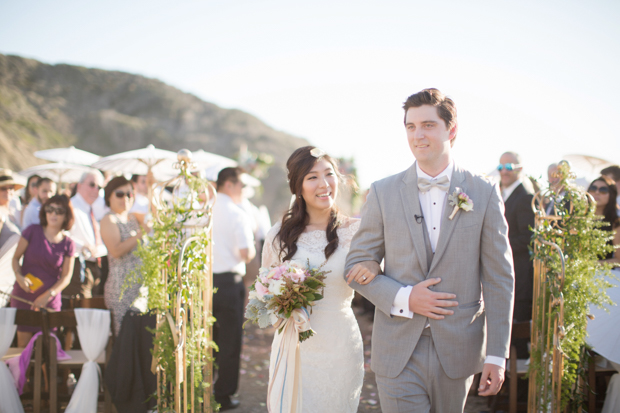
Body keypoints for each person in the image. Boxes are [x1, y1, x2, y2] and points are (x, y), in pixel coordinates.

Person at [345, 88, 514, 412]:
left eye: (427, 125)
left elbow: (499, 278)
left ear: (451, 130)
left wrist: (496, 354)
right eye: (410, 126)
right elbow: (357, 262)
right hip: (397, 347)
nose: (417, 135)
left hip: (459, 348)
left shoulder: (484, 191)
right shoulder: (383, 191)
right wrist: (404, 297)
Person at [262, 147, 378, 413]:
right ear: (298, 187)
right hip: (294, 346)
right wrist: (283, 306)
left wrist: (374, 265)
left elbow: (380, 277)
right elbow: (265, 292)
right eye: (312, 177)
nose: (324, 184)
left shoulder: (357, 232)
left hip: (340, 345)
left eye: (329, 174)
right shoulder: (279, 236)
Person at [212, 167, 256, 411]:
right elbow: (246, 253)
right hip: (229, 283)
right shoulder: (237, 213)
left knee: (206, 338)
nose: (242, 190)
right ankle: (223, 395)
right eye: (241, 185)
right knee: (230, 341)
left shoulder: (203, 209)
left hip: (205, 284)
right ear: (229, 184)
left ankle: (201, 386)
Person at [10, 195, 76, 346]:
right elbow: (15, 259)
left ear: (66, 215)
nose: (53, 214)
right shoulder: (31, 231)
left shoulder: (68, 243)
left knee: (48, 349)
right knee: (23, 349)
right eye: (50, 209)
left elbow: (66, 277)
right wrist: (19, 277)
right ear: (44, 211)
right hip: (24, 296)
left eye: (59, 211)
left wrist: (48, 295)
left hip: (50, 301)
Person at [498, 151, 535, 359]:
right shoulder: (501, 193)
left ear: (519, 169)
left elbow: (528, 238)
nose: (504, 171)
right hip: (503, 274)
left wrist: (495, 245)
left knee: (518, 338)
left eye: (509, 167)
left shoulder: (525, 197)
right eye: (501, 166)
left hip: (519, 278)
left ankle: (517, 390)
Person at [101, 176, 143, 335]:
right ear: (109, 196)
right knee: (124, 338)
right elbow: (116, 251)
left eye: (129, 194)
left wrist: (152, 185)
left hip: (139, 289)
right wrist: (140, 235)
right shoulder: (108, 219)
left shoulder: (133, 218)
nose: (125, 198)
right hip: (120, 289)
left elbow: (156, 215)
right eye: (119, 194)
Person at [66, 172, 107, 298]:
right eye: (92, 185)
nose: (96, 190)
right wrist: (83, 246)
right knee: (80, 313)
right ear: (79, 186)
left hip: (93, 267)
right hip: (78, 266)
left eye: (99, 187)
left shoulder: (91, 209)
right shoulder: (70, 206)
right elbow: (62, 235)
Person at [588, 176, 620, 264]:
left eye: (603, 190)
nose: (597, 193)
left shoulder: (615, 222)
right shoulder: (580, 217)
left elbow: (618, 259)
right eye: (593, 189)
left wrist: (591, 265)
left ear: (611, 195)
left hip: (601, 275)